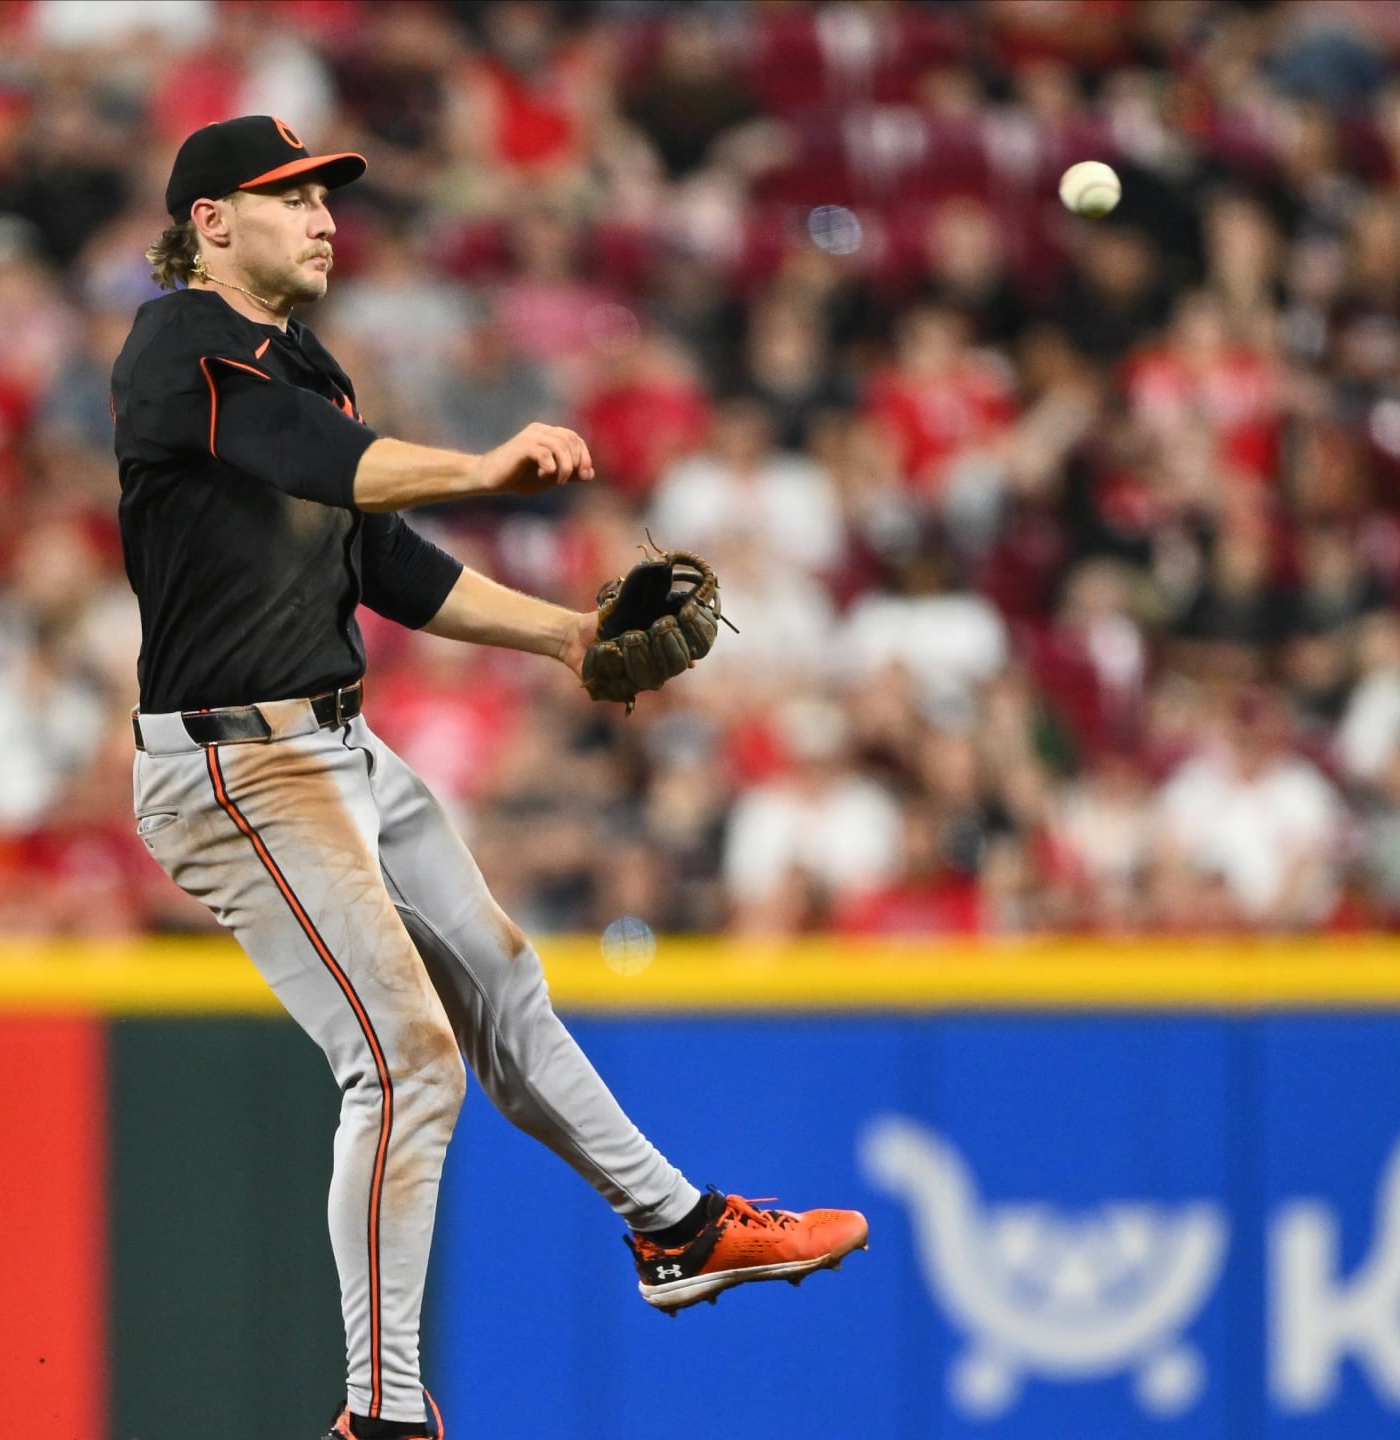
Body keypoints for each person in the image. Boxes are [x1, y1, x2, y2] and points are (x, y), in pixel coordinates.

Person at [109, 116, 868, 1440]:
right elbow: (315, 462)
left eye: (327, 196)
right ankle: (384, 1413)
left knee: (504, 984)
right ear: (212, 224)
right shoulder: (175, 345)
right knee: (406, 1058)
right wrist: (478, 465)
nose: (324, 216)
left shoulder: (307, 363)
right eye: (290, 198)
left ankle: (677, 1228)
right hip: (237, 765)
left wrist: (569, 635)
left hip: (335, 745)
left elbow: (381, 562)